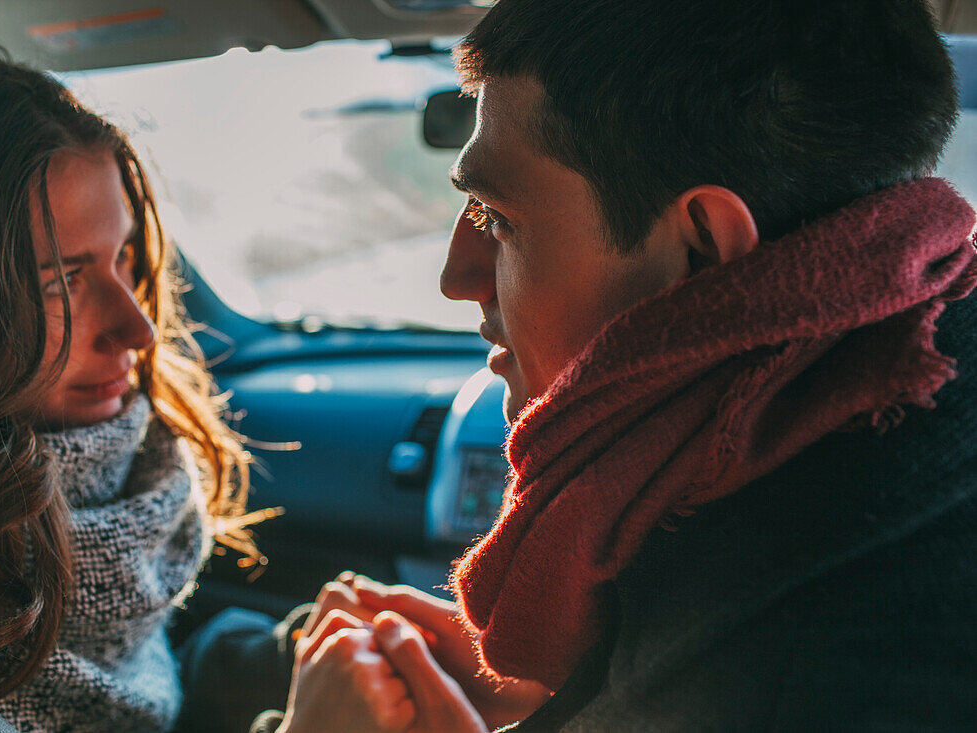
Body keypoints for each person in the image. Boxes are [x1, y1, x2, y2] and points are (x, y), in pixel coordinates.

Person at [259, 0, 977, 730]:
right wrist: (578, 684)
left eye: (498, 219)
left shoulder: (797, 674)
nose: (456, 273)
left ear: (701, 254)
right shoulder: (926, 385)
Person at [0, 33, 263, 731]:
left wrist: (294, 655)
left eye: (124, 259)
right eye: (60, 282)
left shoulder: (125, 480)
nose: (139, 328)